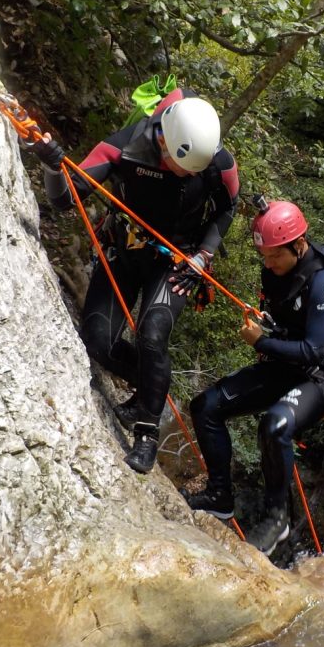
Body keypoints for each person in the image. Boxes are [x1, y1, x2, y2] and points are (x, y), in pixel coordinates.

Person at [26, 88, 239, 473]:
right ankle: (151, 382)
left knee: (152, 334)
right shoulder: (123, 148)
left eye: (195, 170)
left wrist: (203, 256)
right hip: (124, 248)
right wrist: (54, 168)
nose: (189, 175)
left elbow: (227, 207)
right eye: (181, 166)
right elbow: (64, 200)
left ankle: (146, 434)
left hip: (178, 261)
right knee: (98, 341)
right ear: (164, 141)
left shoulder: (216, 161)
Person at [185, 199, 324, 555]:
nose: (268, 263)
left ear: (299, 244)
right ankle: (219, 495)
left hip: (319, 378)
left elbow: (314, 350)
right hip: (283, 367)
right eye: (264, 256)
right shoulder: (273, 274)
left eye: (275, 256)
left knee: (274, 426)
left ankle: (277, 519)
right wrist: (267, 330)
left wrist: (261, 341)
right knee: (205, 407)